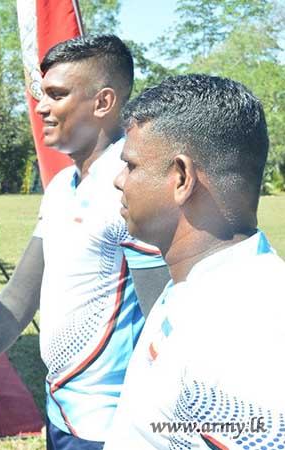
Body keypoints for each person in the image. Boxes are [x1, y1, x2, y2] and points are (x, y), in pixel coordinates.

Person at [0, 35, 170, 449]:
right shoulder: (62, 186)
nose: (40, 107)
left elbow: (168, 326)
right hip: (60, 416)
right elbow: (18, 300)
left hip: (114, 431)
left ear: (103, 102)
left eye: (57, 95)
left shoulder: (133, 187)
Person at [106, 75, 285, 448]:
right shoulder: (198, 286)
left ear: (182, 177)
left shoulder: (246, 331)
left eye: (132, 166)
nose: (119, 181)